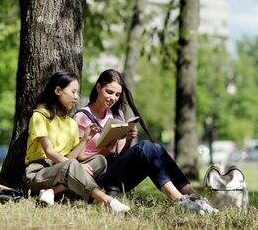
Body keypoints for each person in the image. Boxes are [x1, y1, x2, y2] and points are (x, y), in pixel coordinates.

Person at [74, 69, 218, 215]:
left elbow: (121, 154)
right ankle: (180, 201)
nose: (113, 98)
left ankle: (194, 198)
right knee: (145, 147)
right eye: (109, 92)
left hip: (116, 171)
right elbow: (75, 159)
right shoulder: (82, 117)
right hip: (98, 179)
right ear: (98, 87)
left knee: (154, 148)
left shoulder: (116, 113)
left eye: (117, 94)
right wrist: (103, 152)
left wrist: (129, 139)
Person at [24, 71, 130, 213]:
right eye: (73, 92)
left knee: (100, 161)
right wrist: (73, 165)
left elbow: (72, 157)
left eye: (77, 93)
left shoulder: (71, 123)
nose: (76, 97)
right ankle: (107, 200)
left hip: (62, 168)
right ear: (58, 91)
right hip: (39, 172)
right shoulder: (40, 116)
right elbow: (49, 152)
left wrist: (86, 138)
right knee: (73, 166)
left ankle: (51, 191)